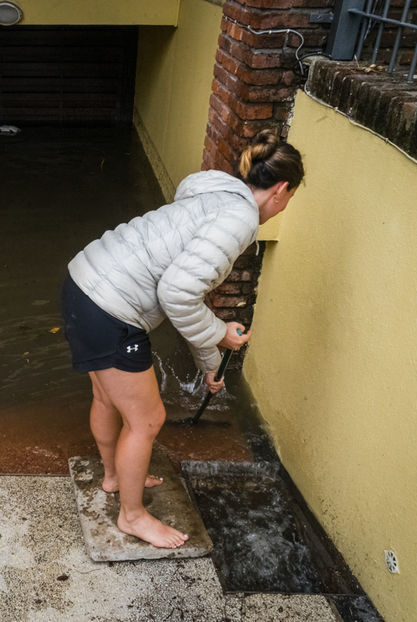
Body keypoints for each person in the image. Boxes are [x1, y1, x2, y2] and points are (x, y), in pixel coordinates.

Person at [60, 130, 304, 548]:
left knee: (105, 398)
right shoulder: (239, 219)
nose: (285, 207)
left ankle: (115, 477)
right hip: (111, 308)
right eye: (290, 198)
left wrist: (210, 361)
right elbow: (177, 294)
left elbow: (181, 292)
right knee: (147, 419)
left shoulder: (213, 192)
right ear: (281, 190)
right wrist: (221, 336)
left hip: (82, 281)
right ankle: (133, 516)